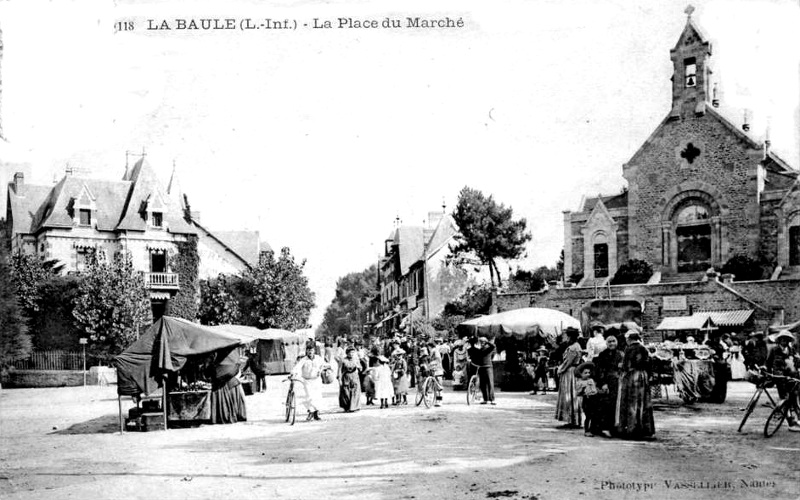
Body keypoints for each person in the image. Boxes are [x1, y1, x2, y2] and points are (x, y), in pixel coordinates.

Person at [615, 331, 655, 440]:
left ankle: (631, 429)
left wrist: (621, 367)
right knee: (643, 401)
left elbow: (626, 366)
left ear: (629, 339)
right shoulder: (644, 348)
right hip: (643, 376)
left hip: (632, 376)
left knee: (631, 401)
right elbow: (649, 364)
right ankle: (644, 429)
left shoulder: (629, 349)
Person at [766, 330, 800, 431]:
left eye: (787, 340)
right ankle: (790, 420)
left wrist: (797, 360)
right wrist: (769, 374)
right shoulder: (774, 349)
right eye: (782, 339)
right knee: (784, 398)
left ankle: (797, 418)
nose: (784, 341)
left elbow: (796, 362)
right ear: (779, 340)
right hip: (779, 377)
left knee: (794, 396)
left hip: (791, 376)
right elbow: (768, 362)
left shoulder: (791, 350)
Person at [593, 334, 624, 435]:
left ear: (617, 342)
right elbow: (600, 370)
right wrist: (603, 383)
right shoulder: (603, 355)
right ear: (606, 343)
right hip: (607, 382)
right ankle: (604, 428)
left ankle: (616, 428)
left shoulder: (621, 354)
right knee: (605, 405)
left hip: (618, 383)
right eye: (609, 342)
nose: (611, 344)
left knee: (617, 405)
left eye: (613, 341)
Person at [291, 343, 330, 421]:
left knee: (317, 397)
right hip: (307, 380)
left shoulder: (318, 358)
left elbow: (324, 365)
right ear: (306, 351)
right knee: (309, 397)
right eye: (308, 350)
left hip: (317, 380)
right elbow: (297, 367)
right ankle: (310, 412)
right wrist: (293, 373)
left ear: (314, 351)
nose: (310, 352)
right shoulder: (304, 359)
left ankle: (316, 414)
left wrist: (321, 369)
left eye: (311, 350)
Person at [555, 327, 583, 427]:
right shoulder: (576, 346)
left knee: (570, 394)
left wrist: (560, 369)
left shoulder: (573, 347)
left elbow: (568, 362)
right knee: (572, 395)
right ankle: (573, 420)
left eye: (566, 335)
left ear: (569, 336)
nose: (564, 337)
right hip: (572, 371)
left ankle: (573, 420)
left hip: (570, 372)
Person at [575, 362, 603, 437]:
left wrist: (598, 391)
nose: (587, 374)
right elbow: (578, 392)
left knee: (594, 415)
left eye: (589, 372)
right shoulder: (580, 382)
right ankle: (587, 430)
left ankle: (592, 429)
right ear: (581, 374)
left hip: (594, 399)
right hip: (587, 399)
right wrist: (583, 389)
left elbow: (595, 389)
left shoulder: (591, 380)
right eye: (585, 373)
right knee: (588, 416)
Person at [467, 336, 496, 405]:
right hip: (480, 367)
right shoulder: (478, 350)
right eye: (481, 342)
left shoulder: (489, 349)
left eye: (483, 342)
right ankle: (486, 399)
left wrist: (487, 342)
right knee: (483, 384)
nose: (482, 343)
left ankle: (492, 399)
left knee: (490, 383)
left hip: (488, 367)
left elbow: (493, 346)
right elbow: (472, 350)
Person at [703, 332, 730, 403]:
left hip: (719, 365)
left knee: (719, 382)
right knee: (721, 382)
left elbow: (713, 354)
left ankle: (717, 397)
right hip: (722, 364)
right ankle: (719, 397)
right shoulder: (719, 345)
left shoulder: (714, 345)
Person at [338, 347, 362, 413]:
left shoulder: (356, 359)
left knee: (355, 392)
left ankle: (353, 407)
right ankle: (347, 407)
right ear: (347, 353)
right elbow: (339, 370)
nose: (351, 354)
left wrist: (359, 367)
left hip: (354, 377)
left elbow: (361, 369)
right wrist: (339, 379)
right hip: (346, 377)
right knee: (346, 392)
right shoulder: (343, 360)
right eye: (350, 352)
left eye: (352, 352)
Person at [428, 341, 445, 406]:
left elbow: (438, 360)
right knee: (434, 386)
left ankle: (439, 401)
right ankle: (435, 400)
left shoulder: (435, 351)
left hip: (438, 370)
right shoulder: (432, 351)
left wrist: (431, 363)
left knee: (439, 387)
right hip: (433, 370)